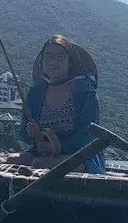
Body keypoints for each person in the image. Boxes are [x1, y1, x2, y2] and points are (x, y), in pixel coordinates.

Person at [9, 35, 106, 174]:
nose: (54, 62)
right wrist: (30, 132)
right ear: (42, 62)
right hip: (42, 154)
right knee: (11, 160)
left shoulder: (85, 92)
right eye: (48, 57)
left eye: (60, 57)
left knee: (39, 163)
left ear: (70, 62)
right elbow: (24, 135)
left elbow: (89, 136)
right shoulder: (35, 93)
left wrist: (56, 146)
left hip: (81, 157)